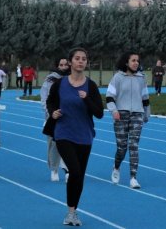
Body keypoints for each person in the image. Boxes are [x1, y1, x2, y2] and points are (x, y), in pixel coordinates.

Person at [46, 48, 103, 226]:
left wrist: (87, 99)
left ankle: (72, 212)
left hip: (84, 135)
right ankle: (71, 213)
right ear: (70, 62)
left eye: (84, 59)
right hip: (64, 133)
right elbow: (51, 100)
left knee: (79, 176)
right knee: (75, 171)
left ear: (86, 63)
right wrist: (52, 112)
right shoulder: (60, 84)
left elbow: (99, 113)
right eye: (77, 58)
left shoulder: (91, 86)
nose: (80, 61)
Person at [107, 51, 150, 190]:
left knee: (134, 146)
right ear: (126, 62)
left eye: (137, 60)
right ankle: (116, 166)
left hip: (137, 114)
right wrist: (114, 110)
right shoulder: (118, 77)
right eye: (133, 60)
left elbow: (145, 98)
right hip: (121, 114)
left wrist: (146, 114)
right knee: (122, 147)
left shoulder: (141, 78)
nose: (136, 63)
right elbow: (109, 97)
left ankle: (133, 178)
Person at [40, 57, 70, 182]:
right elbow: (44, 98)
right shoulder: (50, 79)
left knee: (69, 143)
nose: (63, 67)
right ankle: (54, 169)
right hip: (53, 116)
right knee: (54, 144)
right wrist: (50, 113)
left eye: (65, 64)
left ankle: (68, 169)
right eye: (61, 64)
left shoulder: (73, 78)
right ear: (57, 66)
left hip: (69, 117)